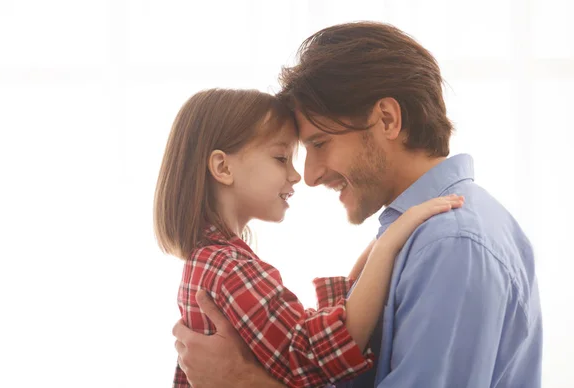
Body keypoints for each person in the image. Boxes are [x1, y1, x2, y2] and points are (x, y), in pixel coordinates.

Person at [172, 22, 543, 388]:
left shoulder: (451, 245)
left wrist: (242, 382)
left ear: (386, 119)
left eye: (319, 144)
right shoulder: (425, 231)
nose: (310, 175)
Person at [154, 88, 464, 387]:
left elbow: (298, 333)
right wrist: (387, 245)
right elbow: (316, 356)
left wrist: (386, 234)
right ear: (223, 167)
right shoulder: (229, 268)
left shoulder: (214, 260)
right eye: (280, 158)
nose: (297, 175)